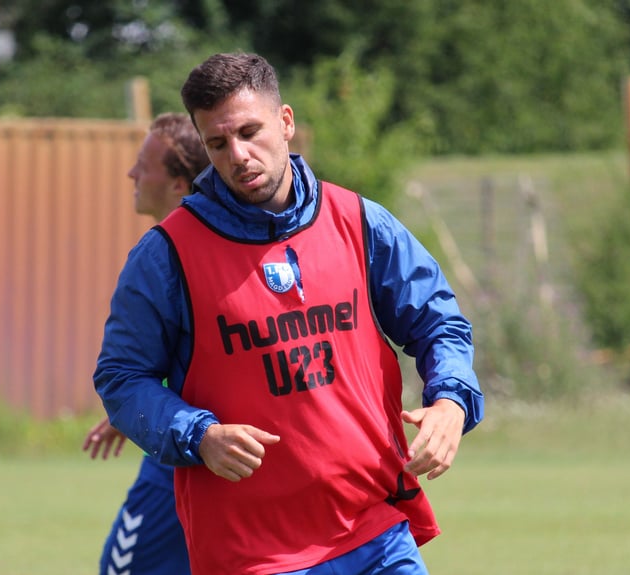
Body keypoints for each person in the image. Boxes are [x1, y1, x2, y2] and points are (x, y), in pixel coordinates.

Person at [94, 52, 485, 575]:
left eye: (249, 132)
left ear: (285, 122)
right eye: (217, 143)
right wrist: (199, 435)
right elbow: (121, 377)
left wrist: (451, 401)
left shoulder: (358, 221)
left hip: (373, 530)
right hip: (254, 554)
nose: (238, 155)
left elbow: (439, 322)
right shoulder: (166, 254)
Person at [84, 112, 209, 575]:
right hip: (193, 448)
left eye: (144, 164)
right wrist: (136, 411)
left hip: (181, 461)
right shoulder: (187, 251)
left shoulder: (182, 257)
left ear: (179, 183)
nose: (131, 173)